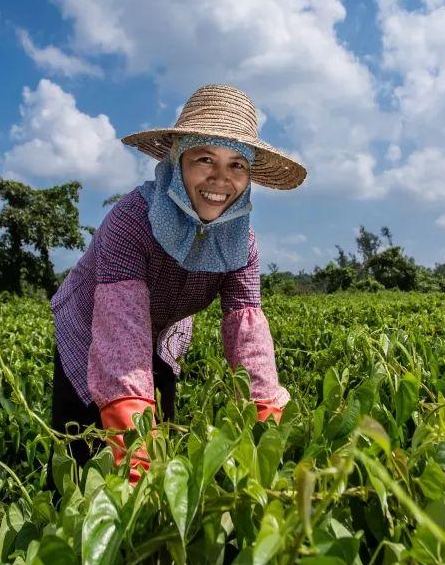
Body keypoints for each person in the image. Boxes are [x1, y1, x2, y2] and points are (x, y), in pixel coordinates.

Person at [48, 84, 307, 484]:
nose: (220, 179)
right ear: (177, 160)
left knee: (163, 436)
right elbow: (120, 331)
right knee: (87, 449)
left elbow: (247, 334)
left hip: (162, 332)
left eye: (237, 164)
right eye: (205, 159)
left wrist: (265, 423)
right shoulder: (131, 220)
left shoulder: (242, 243)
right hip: (93, 328)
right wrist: (133, 459)